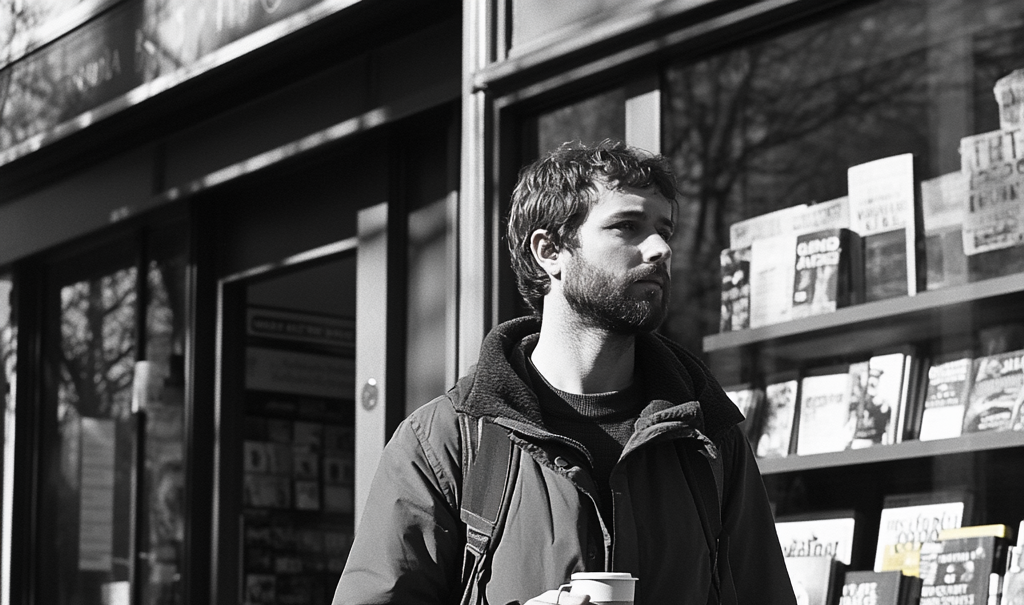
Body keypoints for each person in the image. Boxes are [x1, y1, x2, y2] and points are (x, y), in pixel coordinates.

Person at [333, 139, 796, 605]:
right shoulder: (446, 441)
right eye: (627, 227)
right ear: (550, 250)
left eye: (664, 231)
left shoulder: (709, 438)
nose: (659, 249)